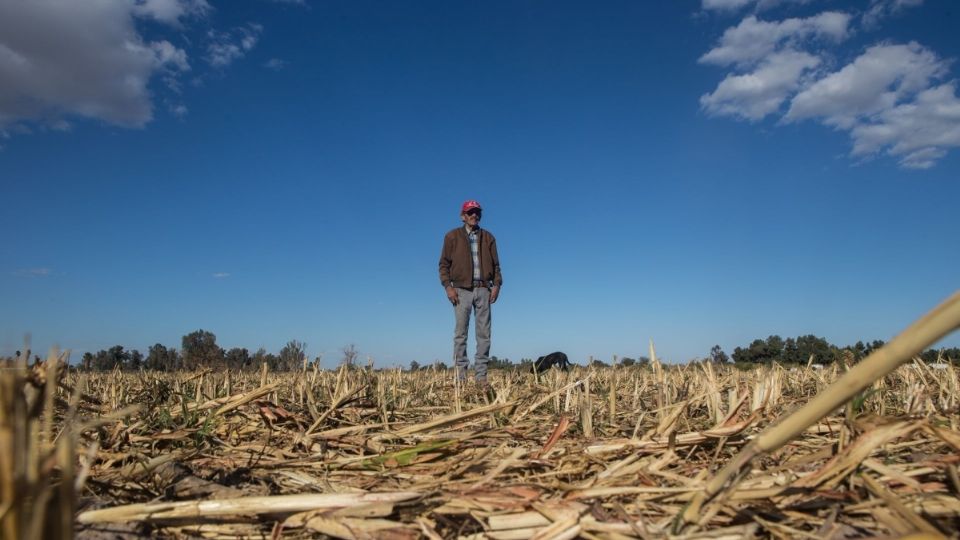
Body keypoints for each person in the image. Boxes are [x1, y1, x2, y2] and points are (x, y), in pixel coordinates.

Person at [439, 200, 502, 385]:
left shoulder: (489, 238)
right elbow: (443, 265)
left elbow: (497, 266)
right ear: (463, 216)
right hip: (460, 291)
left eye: (477, 213)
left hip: (483, 289)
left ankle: (481, 377)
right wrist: (448, 287)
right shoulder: (452, 237)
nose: (474, 215)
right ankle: (461, 378)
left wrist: (496, 285)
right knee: (461, 334)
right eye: (470, 212)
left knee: (484, 334)